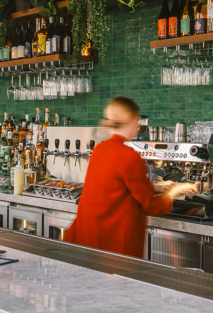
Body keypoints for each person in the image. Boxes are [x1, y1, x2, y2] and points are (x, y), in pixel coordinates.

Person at [62, 96, 199, 258]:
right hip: (114, 245)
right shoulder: (129, 156)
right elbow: (153, 206)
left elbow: (114, 186)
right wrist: (176, 190)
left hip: (90, 238)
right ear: (135, 120)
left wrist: (156, 187)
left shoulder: (100, 149)